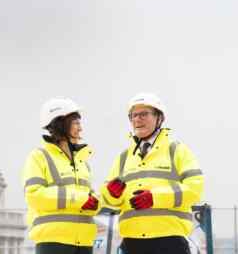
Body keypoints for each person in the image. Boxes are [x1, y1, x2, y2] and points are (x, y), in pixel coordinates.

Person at [100, 93, 204, 254]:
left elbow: (195, 189)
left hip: (170, 241)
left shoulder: (176, 150)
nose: (137, 119)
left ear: (159, 118)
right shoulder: (123, 157)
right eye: (133, 115)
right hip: (131, 242)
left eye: (144, 114)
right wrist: (111, 194)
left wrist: (154, 198)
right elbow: (108, 201)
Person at [22, 97, 100, 254]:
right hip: (54, 242)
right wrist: (79, 199)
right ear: (61, 123)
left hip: (84, 242)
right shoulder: (39, 156)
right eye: (76, 122)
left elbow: (86, 199)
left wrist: (96, 202)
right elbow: (34, 195)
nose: (81, 128)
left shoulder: (82, 162)